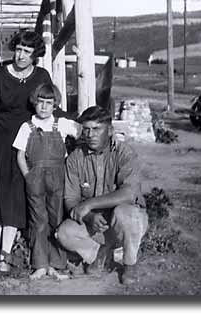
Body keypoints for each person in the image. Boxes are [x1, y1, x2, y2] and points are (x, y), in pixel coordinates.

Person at [0, 30, 52, 279]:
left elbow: (49, 107)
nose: (21, 55)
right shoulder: (0, 73)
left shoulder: (41, 76)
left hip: (25, 145)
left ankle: (6, 256)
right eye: (19, 49)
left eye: (27, 52)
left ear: (35, 55)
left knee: (15, 199)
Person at [56, 105, 149, 285]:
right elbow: (70, 199)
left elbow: (129, 193)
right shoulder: (76, 158)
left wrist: (90, 204)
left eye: (97, 129)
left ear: (110, 130)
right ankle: (100, 254)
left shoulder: (124, 153)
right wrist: (89, 216)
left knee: (127, 214)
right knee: (64, 233)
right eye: (87, 129)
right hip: (97, 225)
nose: (90, 135)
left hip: (122, 220)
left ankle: (129, 263)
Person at [13, 83, 80, 280]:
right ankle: (40, 264)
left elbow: (82, 131)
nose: (44, 107)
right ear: (34, 103)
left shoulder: (61, 124)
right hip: (35, 180)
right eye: (40, 102)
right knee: (38, 221)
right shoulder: (27, 126)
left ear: (55, 105)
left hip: (58, 180)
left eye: (48, 103)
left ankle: (56, 264)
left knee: (57, 219)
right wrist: (28, 176)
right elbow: (20, 155)